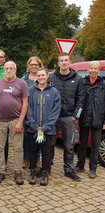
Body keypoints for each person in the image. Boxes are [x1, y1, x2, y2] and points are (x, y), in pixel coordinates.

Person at [49, 52, 84, 182]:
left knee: (69, 146)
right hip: (53, 117)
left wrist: (75, 116)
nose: (63, 62)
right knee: (50, 143)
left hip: (69, 117)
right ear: (58, 63)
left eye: (66, 60)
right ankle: (47, 168)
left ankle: (69, 170)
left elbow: (81, 99)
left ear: (70, 62)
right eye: (61, 60)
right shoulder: (51, 78)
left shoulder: (78, 79)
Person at [0, 61, 29, 185]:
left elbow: (25, 103)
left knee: (18, 148)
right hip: (0, 120)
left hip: (15, 120)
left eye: (11, 68)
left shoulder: (22, 83)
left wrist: (20, 121)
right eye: (6, 68)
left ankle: (17, 172)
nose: (8, 70)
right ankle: (1, 171)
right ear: (3, 69)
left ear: (15, 69)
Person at [26, 68, 61, 186]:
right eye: (39, 75)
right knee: (33, 151)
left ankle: (45, 173)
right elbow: (27, 109)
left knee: (46, 152)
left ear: (47, 76)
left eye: (43, 75)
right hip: (33, 129)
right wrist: (33, 124)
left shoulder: (54, 92)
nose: (41, 77)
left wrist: (46, 127)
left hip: (48, 130)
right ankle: (32, 171)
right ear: (36, 77)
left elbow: (56, 111)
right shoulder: (31, 91)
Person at [75, 61, 105, 178]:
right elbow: (79, 101)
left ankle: (93, 169)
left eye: (95, 69)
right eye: (91, 68)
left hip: (98, 119)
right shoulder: (82, 83)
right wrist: (77, 117)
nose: (93, 70)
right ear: (88, 70)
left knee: (95, 145)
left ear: (99, 71)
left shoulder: (103, 84)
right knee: (82, 144)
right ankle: (80, 165)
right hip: (84, 118)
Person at [22, 56, 43, 169]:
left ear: (40, 66)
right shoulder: (23, 80)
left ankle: (37, 158)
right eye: (32, 64)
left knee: (39, 135)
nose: (34, 66)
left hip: (39, 112)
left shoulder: (42, 78)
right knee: (26, 137)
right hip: (26, 112)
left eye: (36, 64)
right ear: (28, 66)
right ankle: (26, 158)